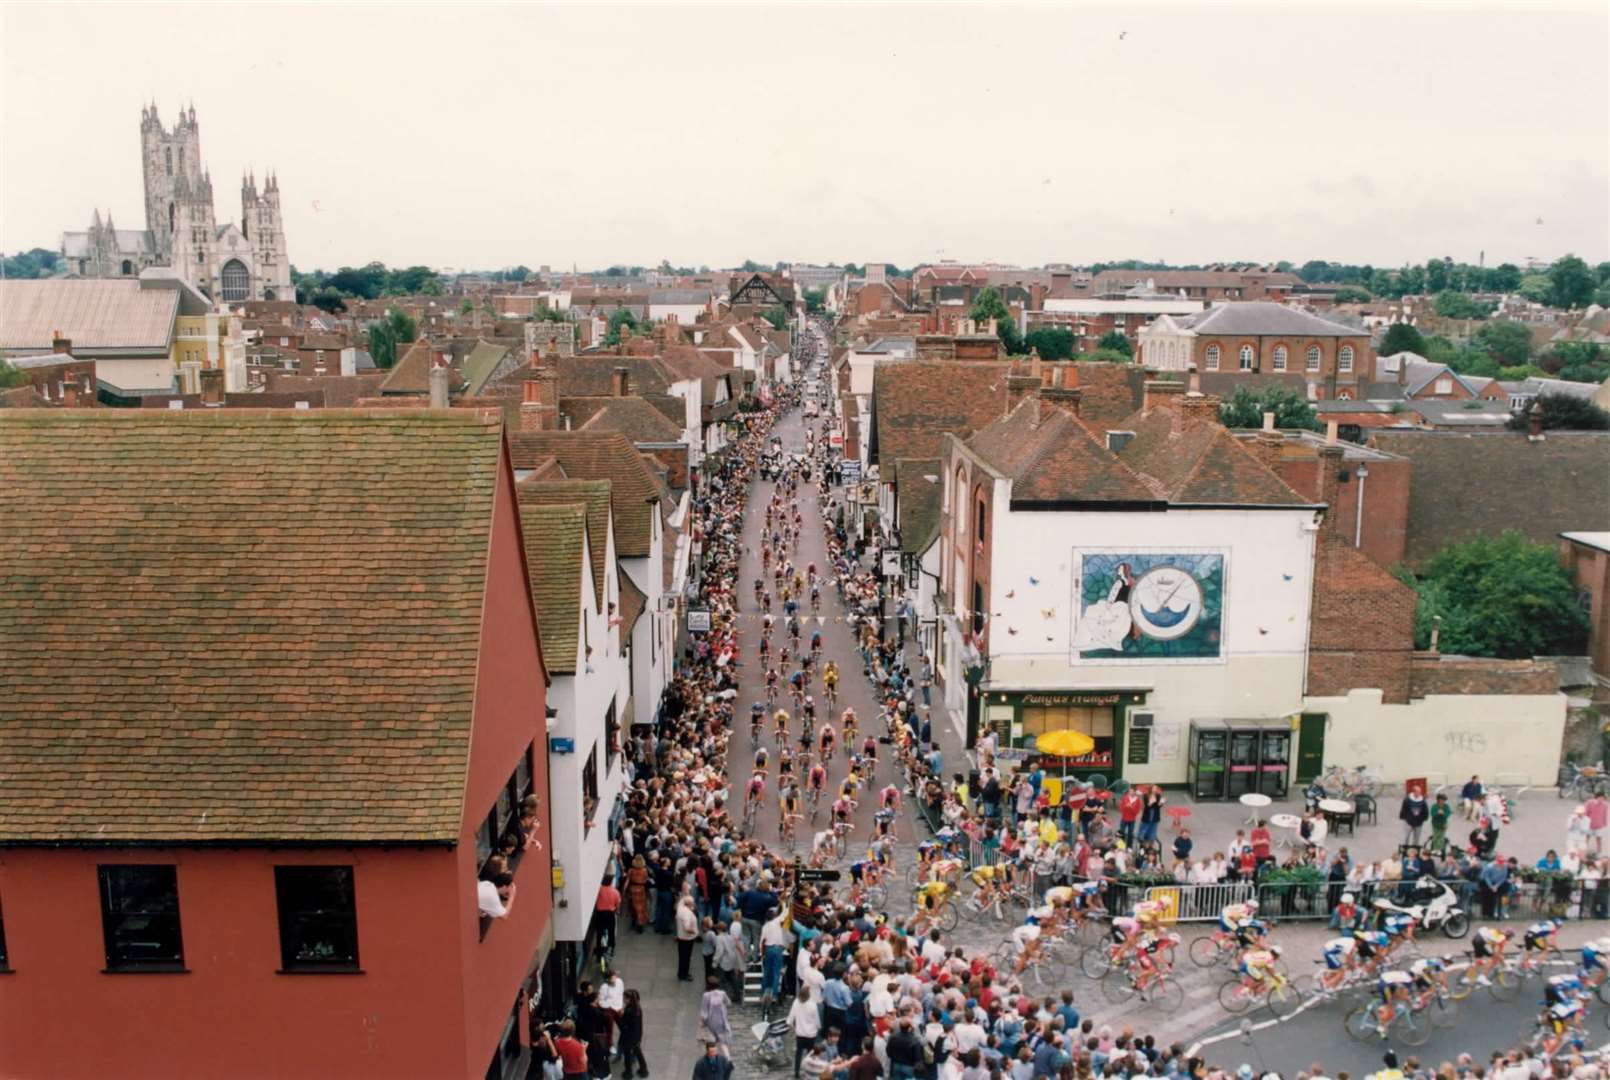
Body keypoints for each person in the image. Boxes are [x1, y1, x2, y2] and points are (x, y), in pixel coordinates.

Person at [788, 985, 824, 1078]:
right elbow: (816, 1020)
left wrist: (795, 1028)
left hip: (800, 1033)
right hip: (811, 1034)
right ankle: (809, 1072)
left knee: (798, 1053)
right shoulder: (812, 1005)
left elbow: (789, 1020)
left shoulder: (796, 1003)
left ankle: (796, 1071)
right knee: (811, 1054)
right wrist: (819, 1027)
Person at [617, 988, 648, 1079]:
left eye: (624, 998)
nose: (623, 999)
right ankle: (643, 1069)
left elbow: (623, 1026)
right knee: (638, 1052)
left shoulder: (629, 1011)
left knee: (627, 1054)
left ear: (628, 999)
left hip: (628, 1037)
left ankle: (628, 1073)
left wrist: (620, 1017)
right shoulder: (637, 1008)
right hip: (637, 1035)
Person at [700, 975, 733, 1056]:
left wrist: (702, 1022)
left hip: (711, 1022)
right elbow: (729, 1003)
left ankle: (714, 1058)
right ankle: (726, 1058)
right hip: (722, 1021)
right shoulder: (722, 993)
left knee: (713, 1041)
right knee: (722, 1042)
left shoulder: (706, 995)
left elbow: (704, 1011)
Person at [675, 896, 700, 982]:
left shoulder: (680, 908)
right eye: (693, 903)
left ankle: (681, 973)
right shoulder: (687, 914)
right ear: (689, 904)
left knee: (682, 957)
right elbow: (687, 928)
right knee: (686, 957)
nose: (694, 904)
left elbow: (682, 899)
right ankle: (684, 975)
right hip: (687, 939)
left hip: (681, 937)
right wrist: (695, 932)